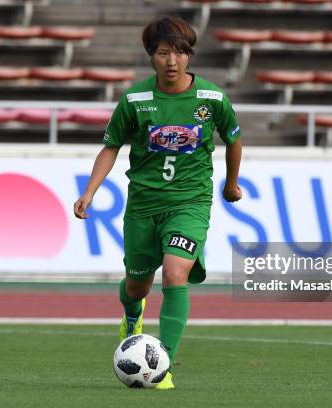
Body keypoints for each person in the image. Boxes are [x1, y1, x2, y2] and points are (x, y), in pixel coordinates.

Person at [73, 15, 242, 390]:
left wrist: (231, 183)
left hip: (190, 203)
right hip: (143, 206)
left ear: (189, 56)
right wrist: (90, 191)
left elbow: (233, 138)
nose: (172, 61)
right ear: (151, 56)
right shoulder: (135, 99)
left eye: (180, 53)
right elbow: (111, 146)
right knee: (137, 287)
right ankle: (133, 316)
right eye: (163, 53)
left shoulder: (212, 99)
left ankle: (160, 363)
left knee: (175, 273)